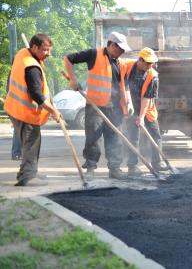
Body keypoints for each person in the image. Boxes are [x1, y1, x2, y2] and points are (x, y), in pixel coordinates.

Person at [64, 32, 132, 179]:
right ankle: (90, 168)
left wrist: (128, 102)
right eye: (120, 49)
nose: (122, 52)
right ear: (112, 45)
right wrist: (72, 79)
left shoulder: (120, 63)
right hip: (95, 106)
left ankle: (114, 169)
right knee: (93, 138)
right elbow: (69, 58)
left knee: (115, 138)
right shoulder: (94, 54)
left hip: (115, 108)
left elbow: (123, 85)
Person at [4, 33, 61, 186]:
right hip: (24, 112)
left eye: (49, 50)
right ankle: (28, 177)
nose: (48, 54)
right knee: (31, 143)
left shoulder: (23, 54)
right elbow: (36, 94)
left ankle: (28, 172)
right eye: (45, 50)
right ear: (34, 47)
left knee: (29, 143)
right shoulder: (31, 67)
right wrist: (53, 111)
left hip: (15, 108)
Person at [123, 47, 168, 175]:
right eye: (148, 63)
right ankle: (133, 167)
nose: (150, 65)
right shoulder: (128, 68)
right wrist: (130, 109)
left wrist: (141, 117)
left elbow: (147, 98)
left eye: (152, 63)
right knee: (133, 137)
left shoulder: (153, 76)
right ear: (140, 60)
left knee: (156, 136)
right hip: (131, 109)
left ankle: (157, 164)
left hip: (147, 110)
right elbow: (123, 86)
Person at [5, 72, 22, 160]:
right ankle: (17, 153)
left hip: (14, 105)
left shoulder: (13, 72)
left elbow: (7, 90)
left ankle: (17, 153)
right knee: (19, 130)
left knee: (19, 130)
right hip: (17, 106)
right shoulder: (17, 71)